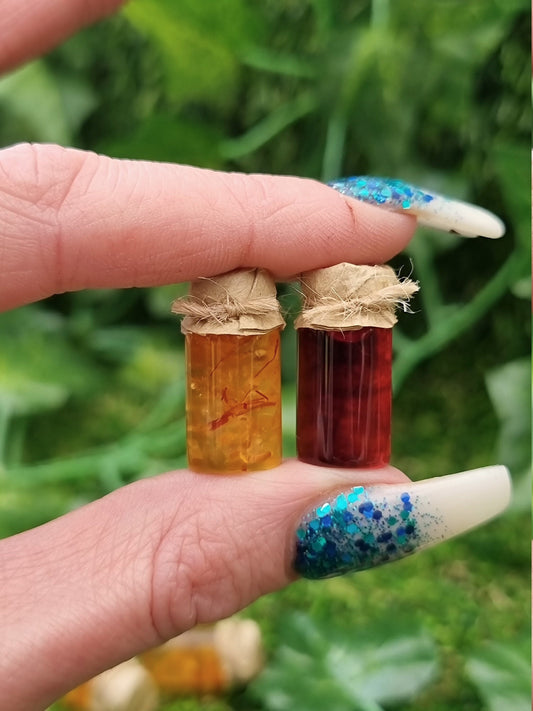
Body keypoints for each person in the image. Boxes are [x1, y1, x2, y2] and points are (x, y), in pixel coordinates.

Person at [0, 2, 510, 709]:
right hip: (249, 360)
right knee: (249, 454)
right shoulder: (240, 318)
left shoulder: (341, 316)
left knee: (326, 454)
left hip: (322, 334)